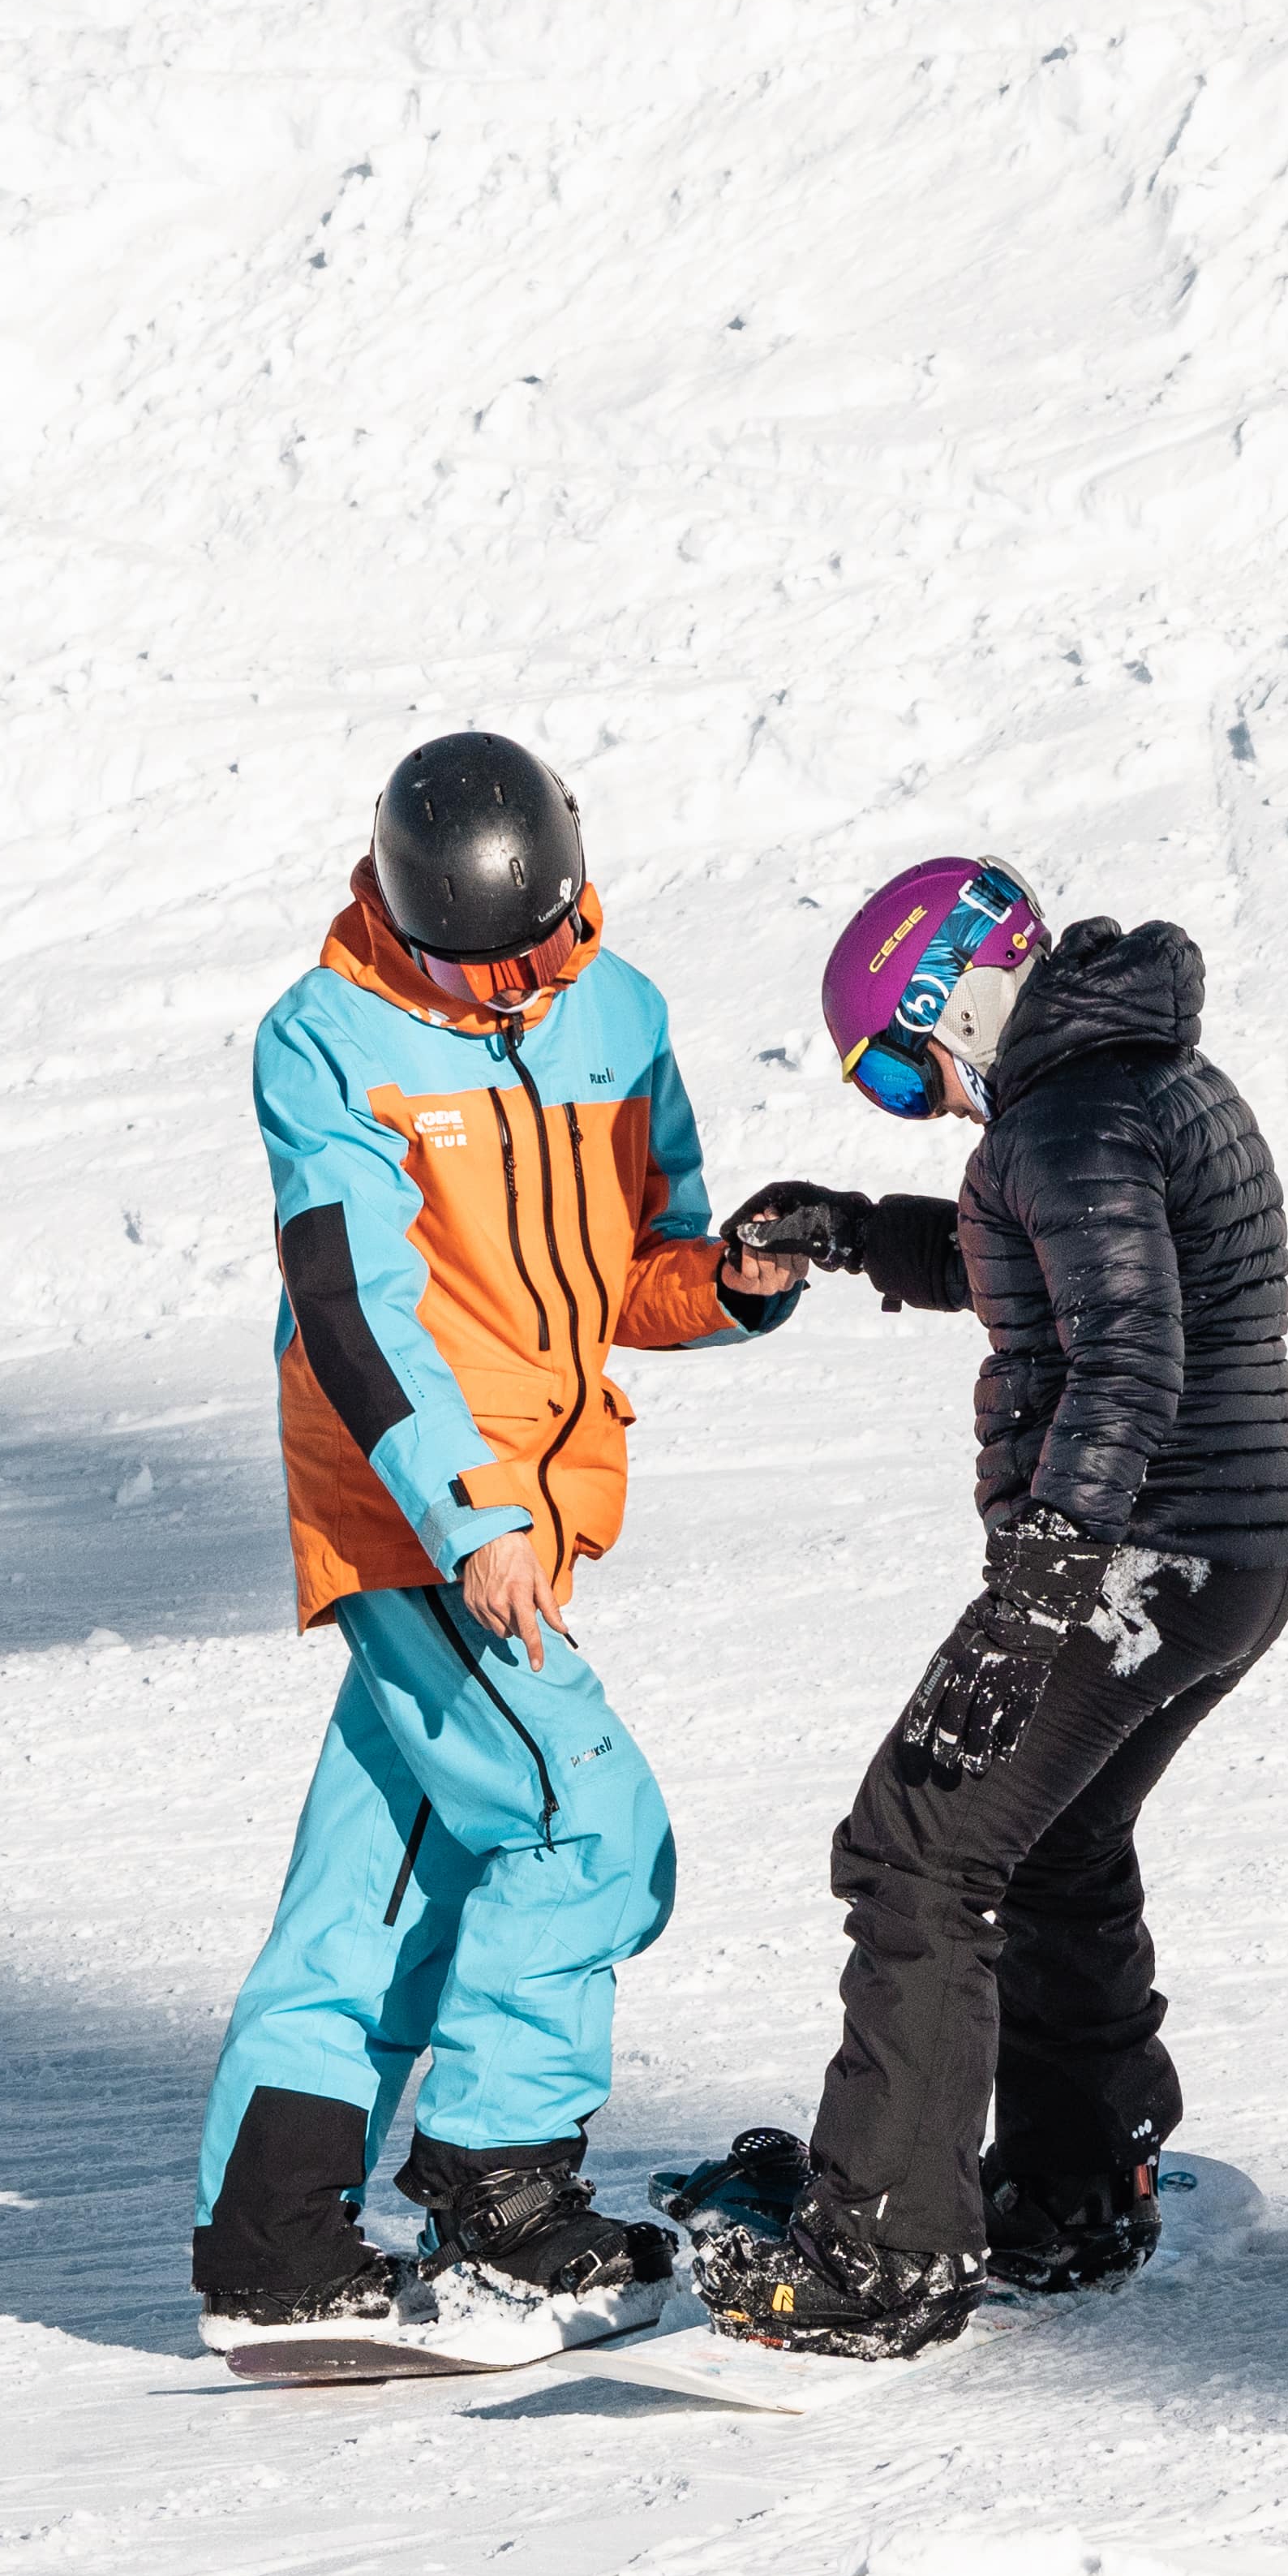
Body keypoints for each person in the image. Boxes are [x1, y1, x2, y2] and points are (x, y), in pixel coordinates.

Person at [187, 733, 813, 2329]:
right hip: (411, 1509)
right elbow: (354, 1302)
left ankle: (273, 2236)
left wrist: (734, 1282)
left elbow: (645, 1259)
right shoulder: (326, 1042)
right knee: (587, 1827)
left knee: (387, 1880)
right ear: (403, 923)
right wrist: (467, 1516)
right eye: (474, 971)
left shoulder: (619, 1012)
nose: (513, 992)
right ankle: (499, 2193)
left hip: (533, 1514)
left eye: (540, 950)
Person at [666, 858, 1288, 2355]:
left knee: (917, 1844)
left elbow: (1125, 1359)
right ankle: (1073, 2188)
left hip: (1145, 1554)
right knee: (1052, 1842)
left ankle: (885, 2252)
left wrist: (1040, 1584)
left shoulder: (1073, 1116)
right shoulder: (1130, 1080)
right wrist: (853, 1229)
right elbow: (1034, 1265)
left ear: (953, 999)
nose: (935, 1100)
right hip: (1233, 1556)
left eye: (909, 1069)